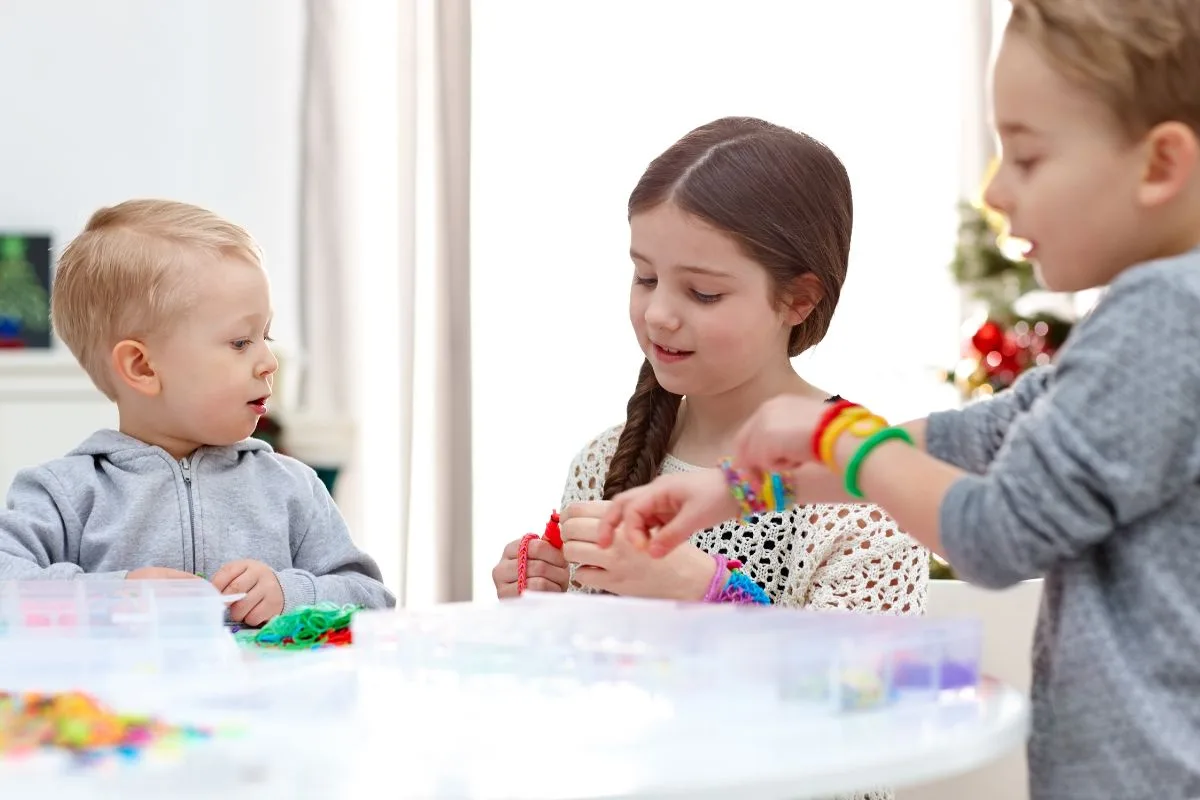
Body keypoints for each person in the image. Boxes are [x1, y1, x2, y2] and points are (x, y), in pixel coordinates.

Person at [600, 3, 1200, 797]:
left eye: (1024, 157)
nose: (996, 191)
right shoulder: (1154, 315)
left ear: (1160, 164)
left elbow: (996, 532)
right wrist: (734, 490)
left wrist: (840, 436)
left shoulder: (1166, 318)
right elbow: (982, 435)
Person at [492, 116, 927, 617]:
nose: (658, 315)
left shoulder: (864, 487)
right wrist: (539, 608)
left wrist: (709, 590)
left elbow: (864, 684)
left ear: (800, 299)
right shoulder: (604, 462)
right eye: (646, 277)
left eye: (704, 293)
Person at [0, 199, 395, 625]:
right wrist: (114, 596)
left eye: (266, 335)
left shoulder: (291, 488)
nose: (269, 361)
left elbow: (373, 600)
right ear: (143, 367)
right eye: (241, 342)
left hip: (266, 693)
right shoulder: (63, 494)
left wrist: (292, 593)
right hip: (118, 695)